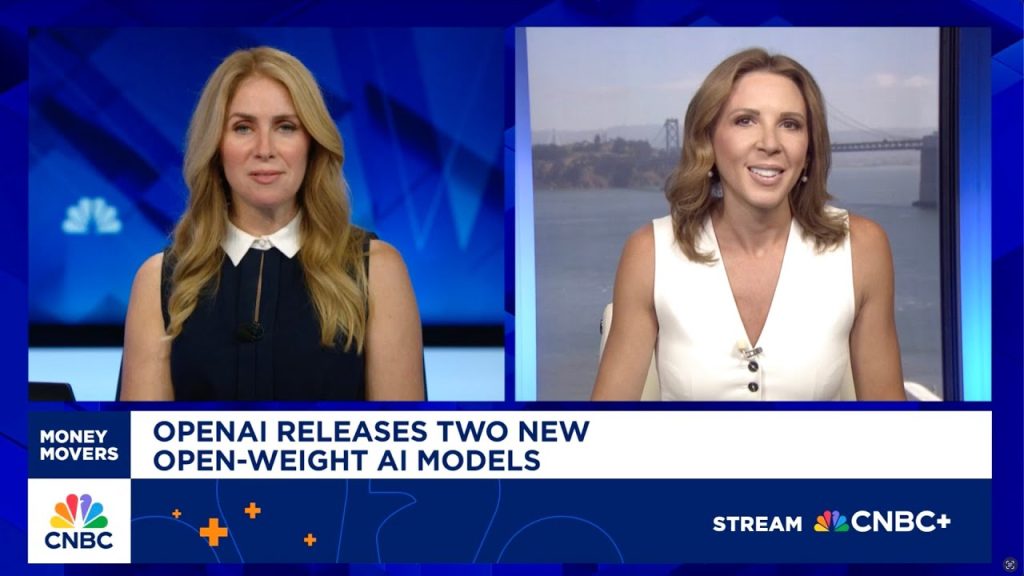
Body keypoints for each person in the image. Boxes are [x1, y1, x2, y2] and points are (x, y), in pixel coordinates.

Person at [592, 48, 905, 401]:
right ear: (708, 139)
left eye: (790, 124)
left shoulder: (863, 248)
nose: (770, 144)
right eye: (745, 121)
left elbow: (889, 424)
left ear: (808, 150)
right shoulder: (649, 252)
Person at [120, 47, 424, 401]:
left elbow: (401, 435)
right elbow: (139, 436)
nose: (264, 149)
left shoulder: (376, 270)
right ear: (216, 145)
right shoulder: (161, 281)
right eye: (243, 127)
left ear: (311, 143)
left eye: (285, 127)